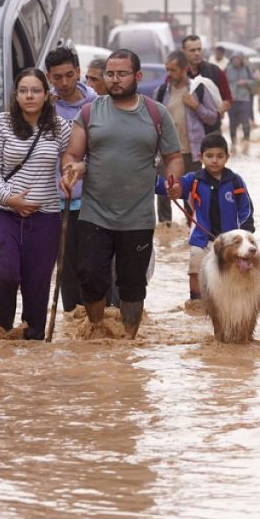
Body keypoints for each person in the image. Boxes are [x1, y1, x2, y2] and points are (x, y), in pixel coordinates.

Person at [61, 49, 184, 339]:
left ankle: (128, 341)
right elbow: (72, 154)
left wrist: (173, 179)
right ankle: (97, 331)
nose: (115, 80)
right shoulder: (90, 112)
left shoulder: (156, 113)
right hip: (95, 214)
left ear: (137, 76)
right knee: (90, 278)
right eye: (110, 74)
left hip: (138, 217)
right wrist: (71, 170)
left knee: (132, 285)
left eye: (122, 74)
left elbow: (174, 156)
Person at [0, 68, 71, 339]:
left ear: (46, 95)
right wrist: (10, 199)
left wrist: (69, 174)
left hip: (46, 218)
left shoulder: (60, 127)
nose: (29, 96)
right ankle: (2, 334)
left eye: (35, 91)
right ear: (16, 95)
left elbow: (74, 158)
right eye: (23, 91)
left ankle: (33, 342)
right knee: (3, 274)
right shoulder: (1, 123)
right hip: (3, 213)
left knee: (38, 285)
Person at [162, 133, 254, 313]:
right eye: (209, 156)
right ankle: (196, 303)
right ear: (200, 157)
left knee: (233, 271)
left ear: (228, 157)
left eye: (220, 156)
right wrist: (168, 186)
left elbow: (246, 208)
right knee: (195, 268)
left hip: (230, 242)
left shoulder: (235, 181)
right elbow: (174, 187)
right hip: (201, 238)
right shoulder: (193, 180)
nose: (215, 161)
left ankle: (232, 305)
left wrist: (246, 232)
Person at [45, 46, 99, 313]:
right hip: (56, 202)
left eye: (69, 75)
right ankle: (72, 322)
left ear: (78, 72)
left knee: (93, 267)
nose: (64, 83)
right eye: (57, 77)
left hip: (93, 201)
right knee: (65, 268)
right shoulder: (44, 108)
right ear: (49, 77)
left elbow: (103, 152)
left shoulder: (97, 106)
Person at [157, 50, 218, 179]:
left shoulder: (198, 89)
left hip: (192, 154)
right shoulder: (162, 91)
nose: (169, 74)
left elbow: (213, 118)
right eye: (167, 70)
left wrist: (196, 106)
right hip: (167, 153)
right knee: (163, 195)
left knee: (191, 197)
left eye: (173, 70)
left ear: (185, 69)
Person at [225, 52, 255, 146]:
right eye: (234, 59)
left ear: (241, 60)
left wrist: (246, 82)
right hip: (231, 99)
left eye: (237, 59)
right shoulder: (228, 69)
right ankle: (233, 143)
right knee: (232, 122)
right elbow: (223, 83)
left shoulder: (247, 69)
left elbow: (254, 81)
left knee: (245, 120)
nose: (235, 61)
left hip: (244, 99)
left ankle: (246, 141)